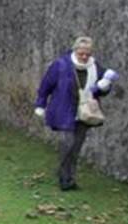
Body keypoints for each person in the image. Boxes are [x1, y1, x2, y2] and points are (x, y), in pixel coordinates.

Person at [34, 36, 118, 191]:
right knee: (68, 144)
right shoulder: (61, 65)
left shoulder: (95, 67)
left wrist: (104, 86)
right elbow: (46, 85)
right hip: (65, 110)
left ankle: (69, 177)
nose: (85, 57)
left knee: (76, 147)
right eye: (81, 54)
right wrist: (41, 104)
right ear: (75, 51)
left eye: (87, 54)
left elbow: (99, 90)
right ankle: (64, 177)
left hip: (85, 113)